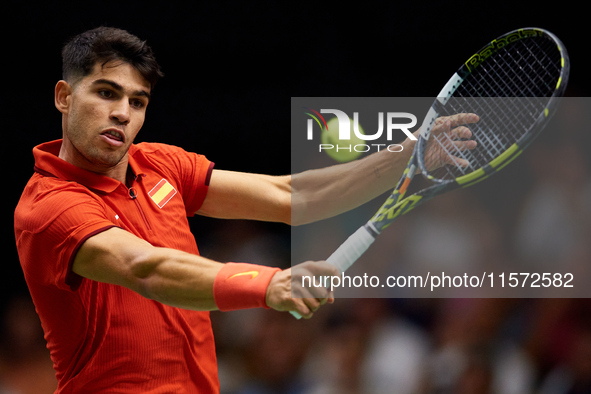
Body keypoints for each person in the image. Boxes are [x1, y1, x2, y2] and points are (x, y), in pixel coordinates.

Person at [14, 27, 478, 393]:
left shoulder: (160, 165)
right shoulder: (49, 207)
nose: (123, 113)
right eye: (106, 93)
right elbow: (145, 267)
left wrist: (403, 156)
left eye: (138, 102)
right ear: (64, 96)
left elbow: (289, 196)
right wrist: (269, 283)